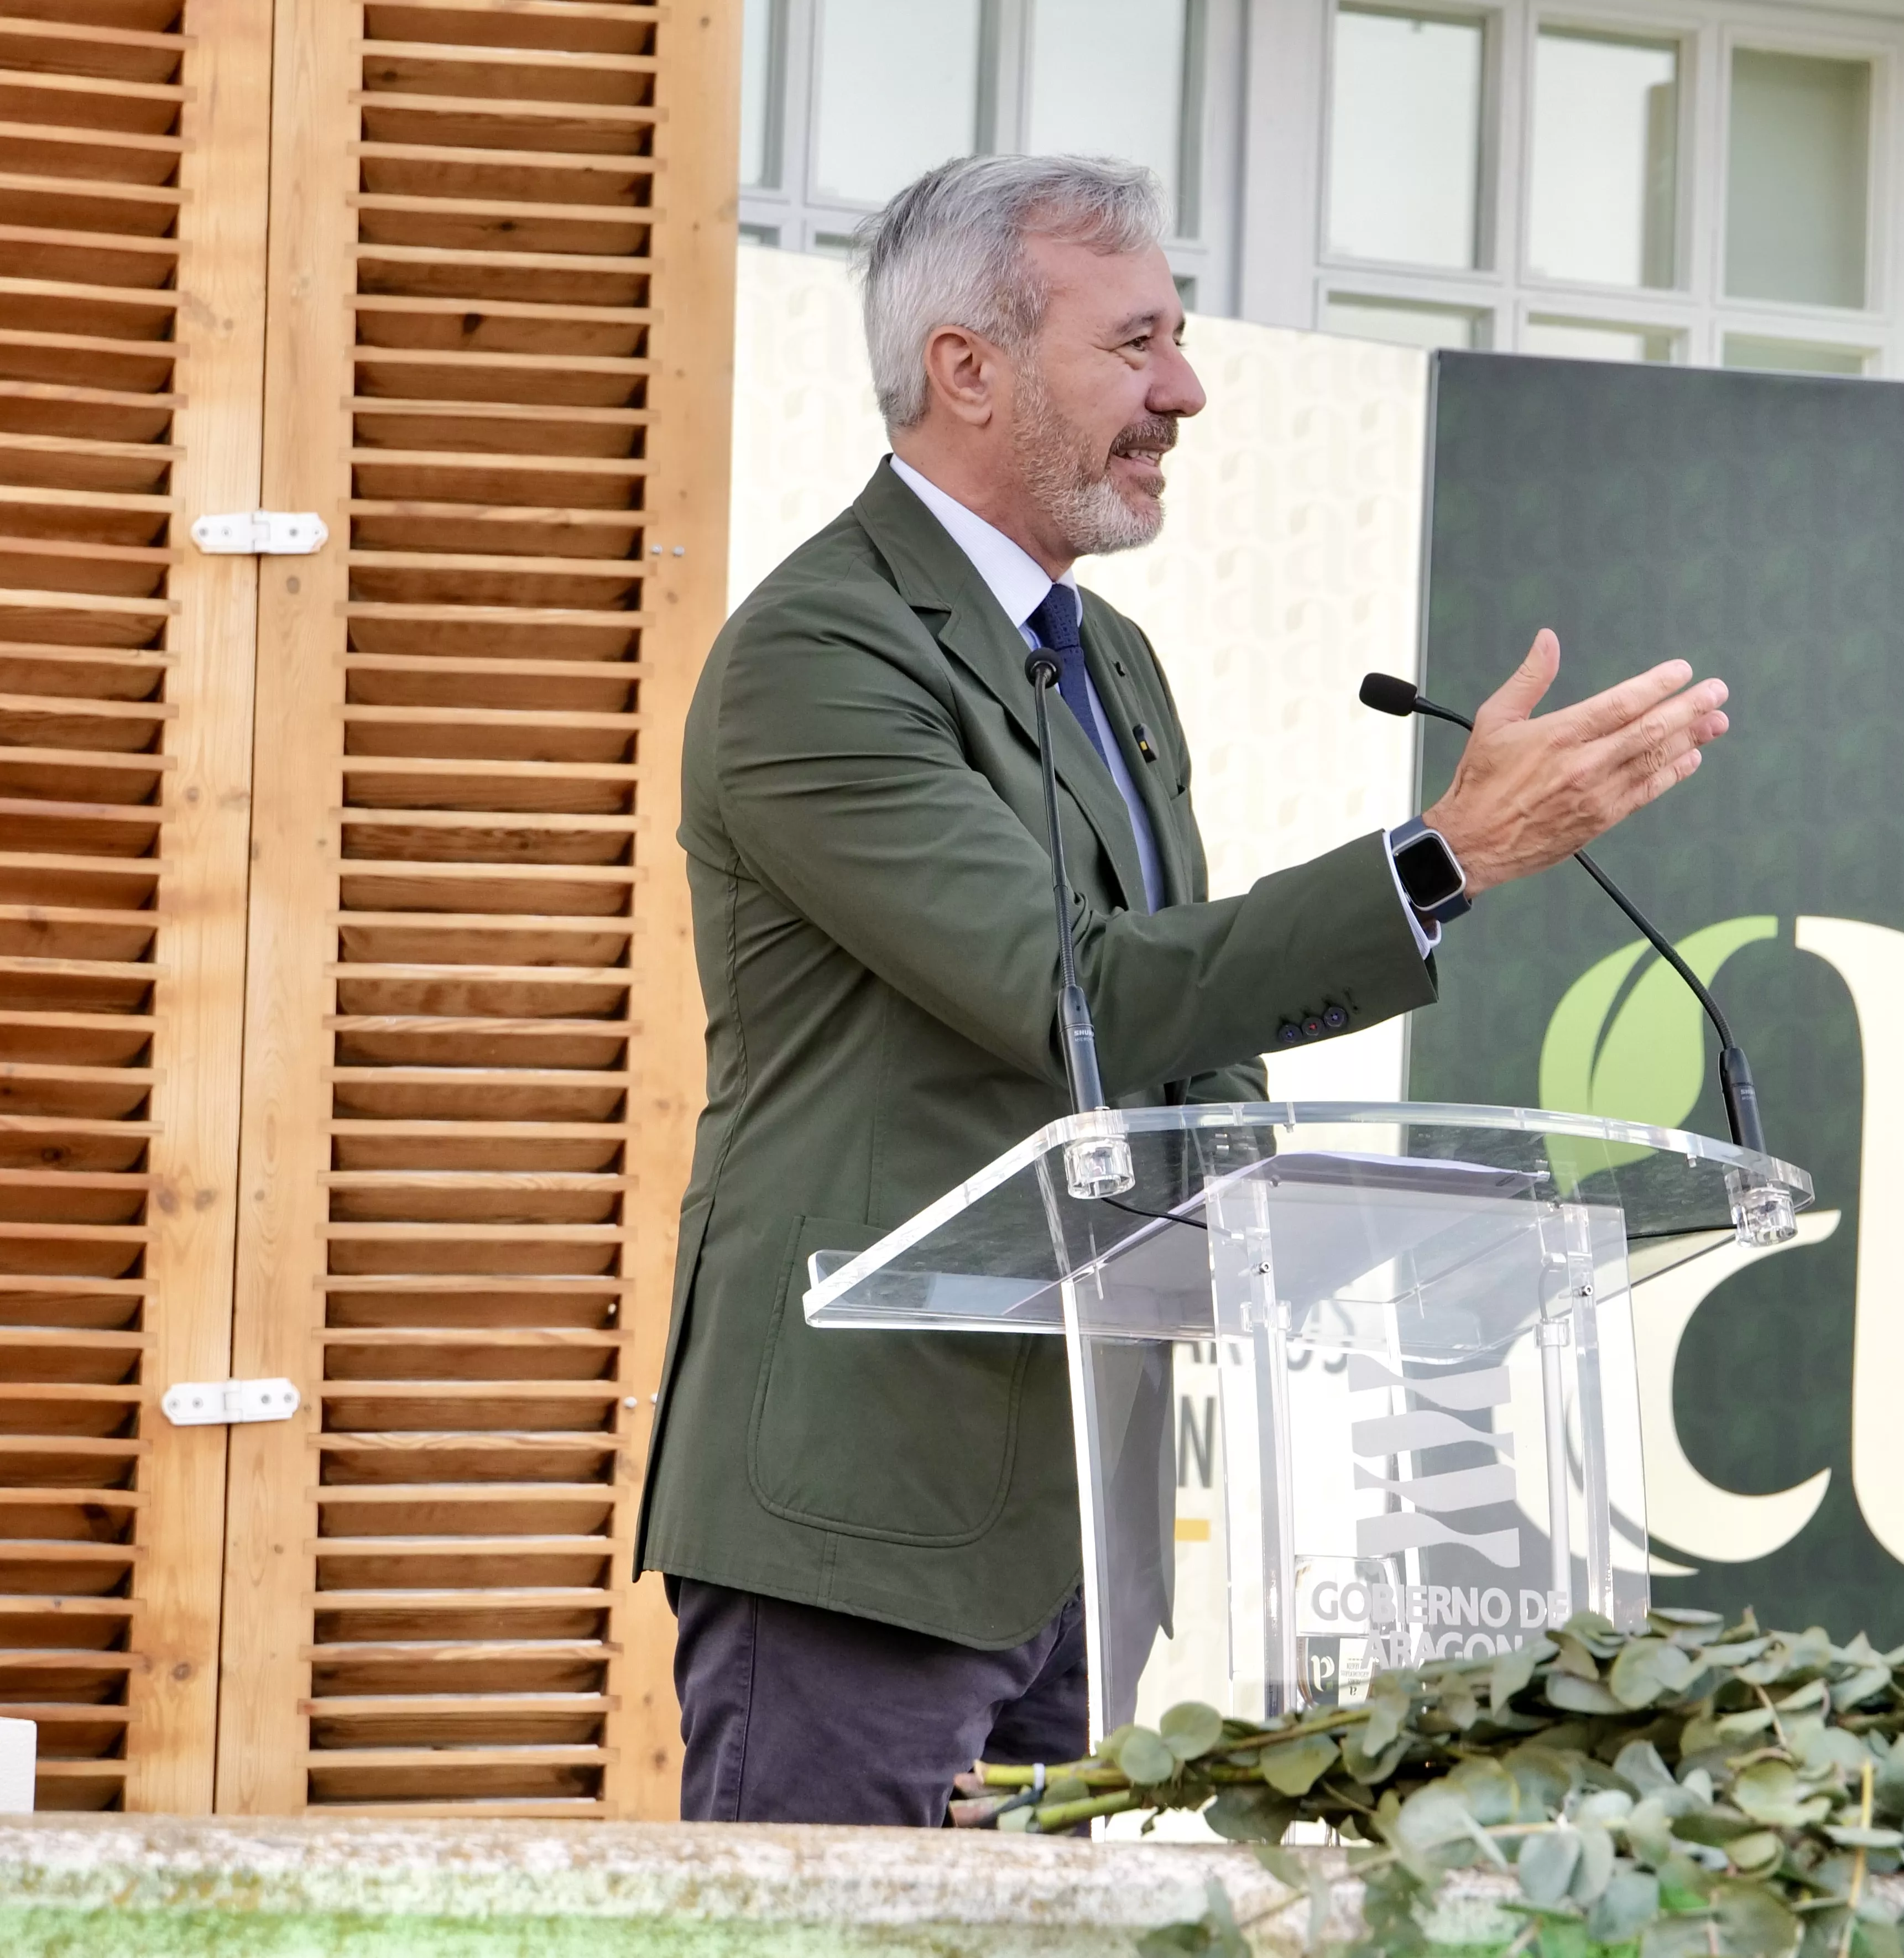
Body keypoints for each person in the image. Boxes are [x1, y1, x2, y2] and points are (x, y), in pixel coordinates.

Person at [635, 152, 1729, 1825]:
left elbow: (1179, 1045)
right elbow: (1066, 992)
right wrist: (1437, 861)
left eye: (1182, 337)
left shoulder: (1107, 659)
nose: (1185, 389)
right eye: (1135, 344)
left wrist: (1310, 1214)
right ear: (968, 368)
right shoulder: (819, 652)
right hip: (859, 1520)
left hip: (1082, 1520)